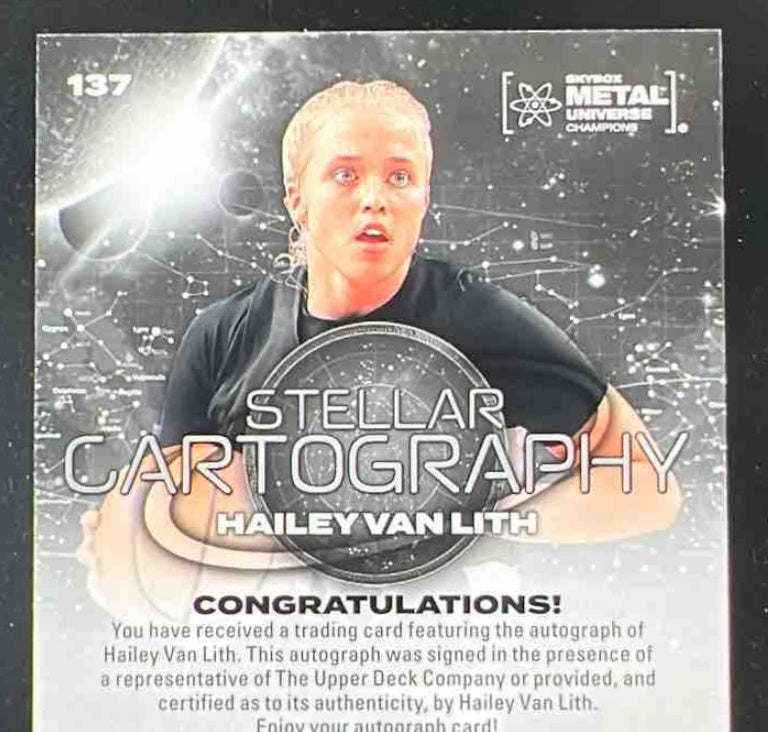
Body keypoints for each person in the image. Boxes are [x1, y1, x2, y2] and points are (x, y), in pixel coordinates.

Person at [78, 79, 680, 609]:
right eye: (345, 174)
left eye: (400, 177)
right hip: (287, 652)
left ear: (424, 198)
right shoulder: (223, 335)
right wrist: (126, 562)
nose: (375, 198)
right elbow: (170, 532)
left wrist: (478, 523)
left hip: (446, 644)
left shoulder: (479, 317)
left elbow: (648, 490)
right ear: (297, 198)